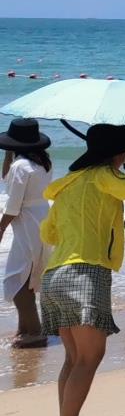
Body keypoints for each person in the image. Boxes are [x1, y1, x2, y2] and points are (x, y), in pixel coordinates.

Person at [40, 123, 125, 416]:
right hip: (86, 272)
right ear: (118, 153)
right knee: (90, 356)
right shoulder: (105, 176)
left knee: (74, 358)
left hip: (55, 274)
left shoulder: (69, 183)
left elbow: (48, 233)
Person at [1, 117, 54, 348]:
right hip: (41, 219)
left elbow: (13, 204)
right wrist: (9, 153)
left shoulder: (20, 166)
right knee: (29, 276)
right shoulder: (43, 162)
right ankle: (26, 328)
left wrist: (0, 228)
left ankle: (35, 331)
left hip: (28, 223)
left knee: (16, 278)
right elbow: (7, 179)